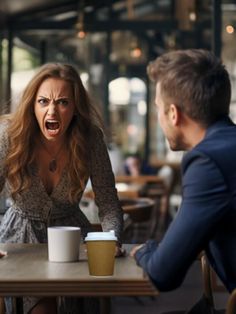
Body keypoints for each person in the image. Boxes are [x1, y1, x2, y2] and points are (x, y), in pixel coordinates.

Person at [0, 63, 124, 314]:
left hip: (73, 242)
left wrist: (113, 239)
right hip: (20, 242)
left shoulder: (91, 139)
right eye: (43, 101)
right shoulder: (9, 137)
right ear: (32, 104)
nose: (52, 110)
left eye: (63, 102)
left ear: (76, 107)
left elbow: (109, 203)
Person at [131, 49, 236, 295]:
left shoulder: (208, 162)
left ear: (173, 114)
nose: (159, 117)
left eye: (158, 108)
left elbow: (163, 274)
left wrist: (145, 250)